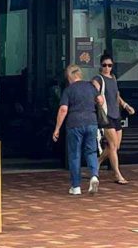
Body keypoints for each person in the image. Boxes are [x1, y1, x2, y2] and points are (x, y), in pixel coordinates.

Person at [52, 64, 103, 195]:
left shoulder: (68, 90)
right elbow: (100, 100)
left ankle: (76, 187)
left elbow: (63, 109)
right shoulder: (90, 86)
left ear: (69, 76)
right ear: (80, 74)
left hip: (74, 124)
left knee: (75, 155)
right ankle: (94, 176)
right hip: (91, 122)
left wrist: (57, 128)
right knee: (91, 152)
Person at [92, 52, 135, 185]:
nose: (107, 68)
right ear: (101, 66)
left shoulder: (113, 78)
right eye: (104, 65)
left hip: (116, 114)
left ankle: (97, 162)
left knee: (115, 146)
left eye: (109, 65)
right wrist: (97, 97)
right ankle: (117, 174)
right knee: (112, 144)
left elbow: (117, 95)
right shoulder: (98, 79)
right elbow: (94, 92)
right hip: (106, 116)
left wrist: (125, 105)